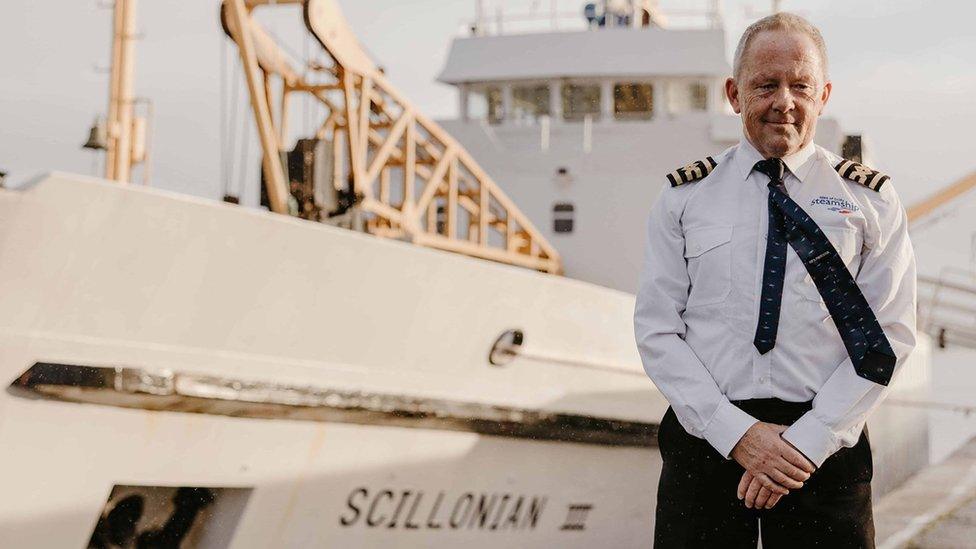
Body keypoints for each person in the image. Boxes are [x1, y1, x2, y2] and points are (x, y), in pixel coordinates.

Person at [633, 12, 916, 549]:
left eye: (800, 85)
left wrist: (806, 442)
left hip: (825, 448)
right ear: (734, 94)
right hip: (707, 441)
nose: (784, 101)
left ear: (824, 94)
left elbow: (890, 338)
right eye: (766, 85)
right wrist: (737, 436)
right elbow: (656, 330)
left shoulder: (870, 202)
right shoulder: (684, 198)